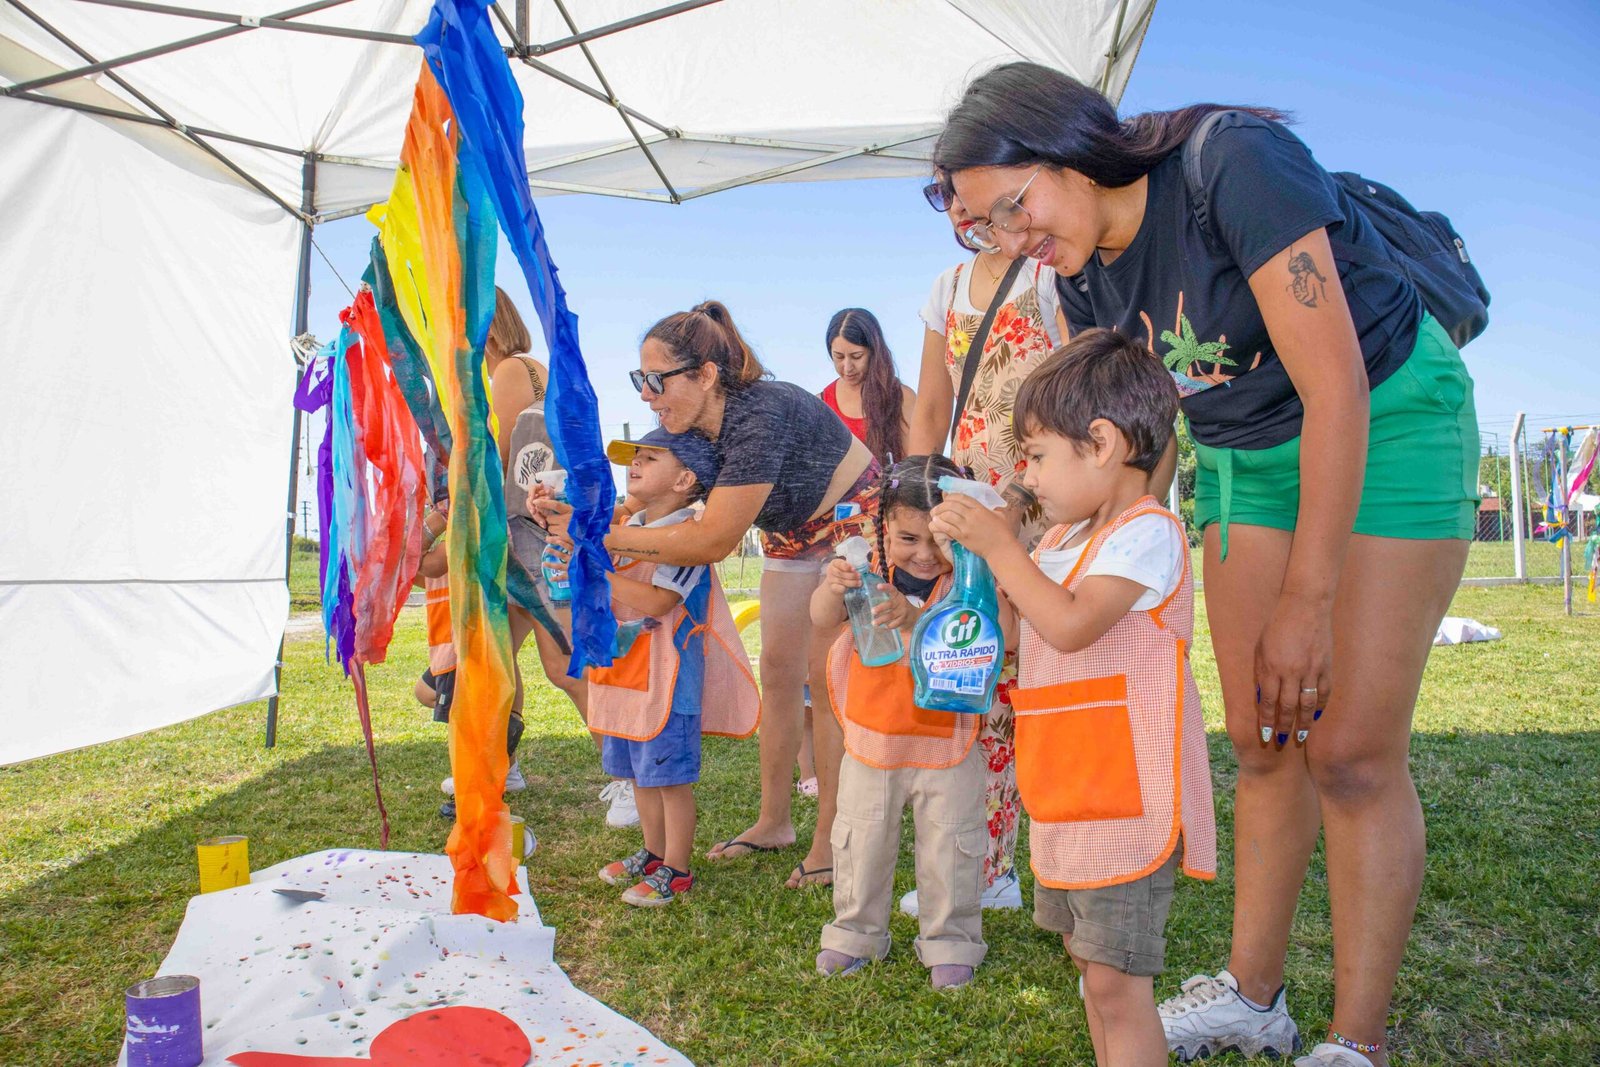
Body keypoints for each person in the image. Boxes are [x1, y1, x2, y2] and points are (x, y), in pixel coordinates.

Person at [935, 63, 1480, 1067]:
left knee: (1351, 752)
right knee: (1265, 736)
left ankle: (1355, 1039)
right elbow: (1132, 446)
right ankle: (1252, 995)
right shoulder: (1080, 274)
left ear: (1069, 149)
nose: (1009, 241)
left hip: (1383, 419)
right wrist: (1030, 529)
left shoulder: (1230, 162)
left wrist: (1307, 599)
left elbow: (1337, 388)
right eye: (983, 228)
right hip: (1244, 459)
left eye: (1011, 206)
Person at [929, 330, 1215, 1067]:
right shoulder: (1065, 536)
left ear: (1102, 443)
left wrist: (1002, 548)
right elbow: (1023, 634)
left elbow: (1072, 623)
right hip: (1072, 790)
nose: (1027, 476)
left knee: (1118, 985)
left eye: (1036, 455)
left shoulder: (1146, 534)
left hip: (1126, 799)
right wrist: (978, 568)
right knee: (1092, 971)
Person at [535, 300, 879, 890]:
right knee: (778, 675)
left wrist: (595, 538)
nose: (647, 396)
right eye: (640, 380)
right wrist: (574, 516)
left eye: (655, 380)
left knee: (826, 684)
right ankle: (774, 822)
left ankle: (829, 841)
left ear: (706, 375)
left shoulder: (760, 414)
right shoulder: (692, 428)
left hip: (852, 526)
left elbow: (713, 540)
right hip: (790, 536)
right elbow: (641, 509)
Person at [898, 171, 1066, 919]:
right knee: (980, 673)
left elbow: (1074, 389)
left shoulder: (1050, 272)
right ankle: (989, 863)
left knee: (1039, 677)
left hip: (1043, 504)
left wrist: (1034, 497)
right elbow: (933, 404)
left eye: (960, 190)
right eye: (942, 195)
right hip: (968, 507)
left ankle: (1054, 859)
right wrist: (918, 497)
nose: (957, 209)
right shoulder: (947, 288)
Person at [813, 454, 994, 991]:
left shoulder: (970, 581)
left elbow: (998, 635)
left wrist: (916, 618)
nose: (924, 554)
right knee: (861, 842)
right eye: (908, 538)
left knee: (952, 847)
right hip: (873, 741)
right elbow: (820, 619)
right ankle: (855, 933)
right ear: (883, 527)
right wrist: (831, 587)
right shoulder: (863, 574)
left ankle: (951, 941)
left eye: (939, 540)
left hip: (949, 744)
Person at [587, 428, 758, 906]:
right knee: (640, 776)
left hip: (670, 681)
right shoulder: (629, 527)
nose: (634, 464)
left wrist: (598, 575)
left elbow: (660, 601)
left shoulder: (688, 538)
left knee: (669, 781)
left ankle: (677, 870)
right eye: (635, 458)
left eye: (649, 458)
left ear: (685, 479)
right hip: (627, 678)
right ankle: (653, 853)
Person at [820, 308, 917, 464]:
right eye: (839, 357)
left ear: (874, 352)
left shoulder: (903, 398)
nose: (847, 367)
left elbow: (915, 465)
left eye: (856, 356)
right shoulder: (821, 404)